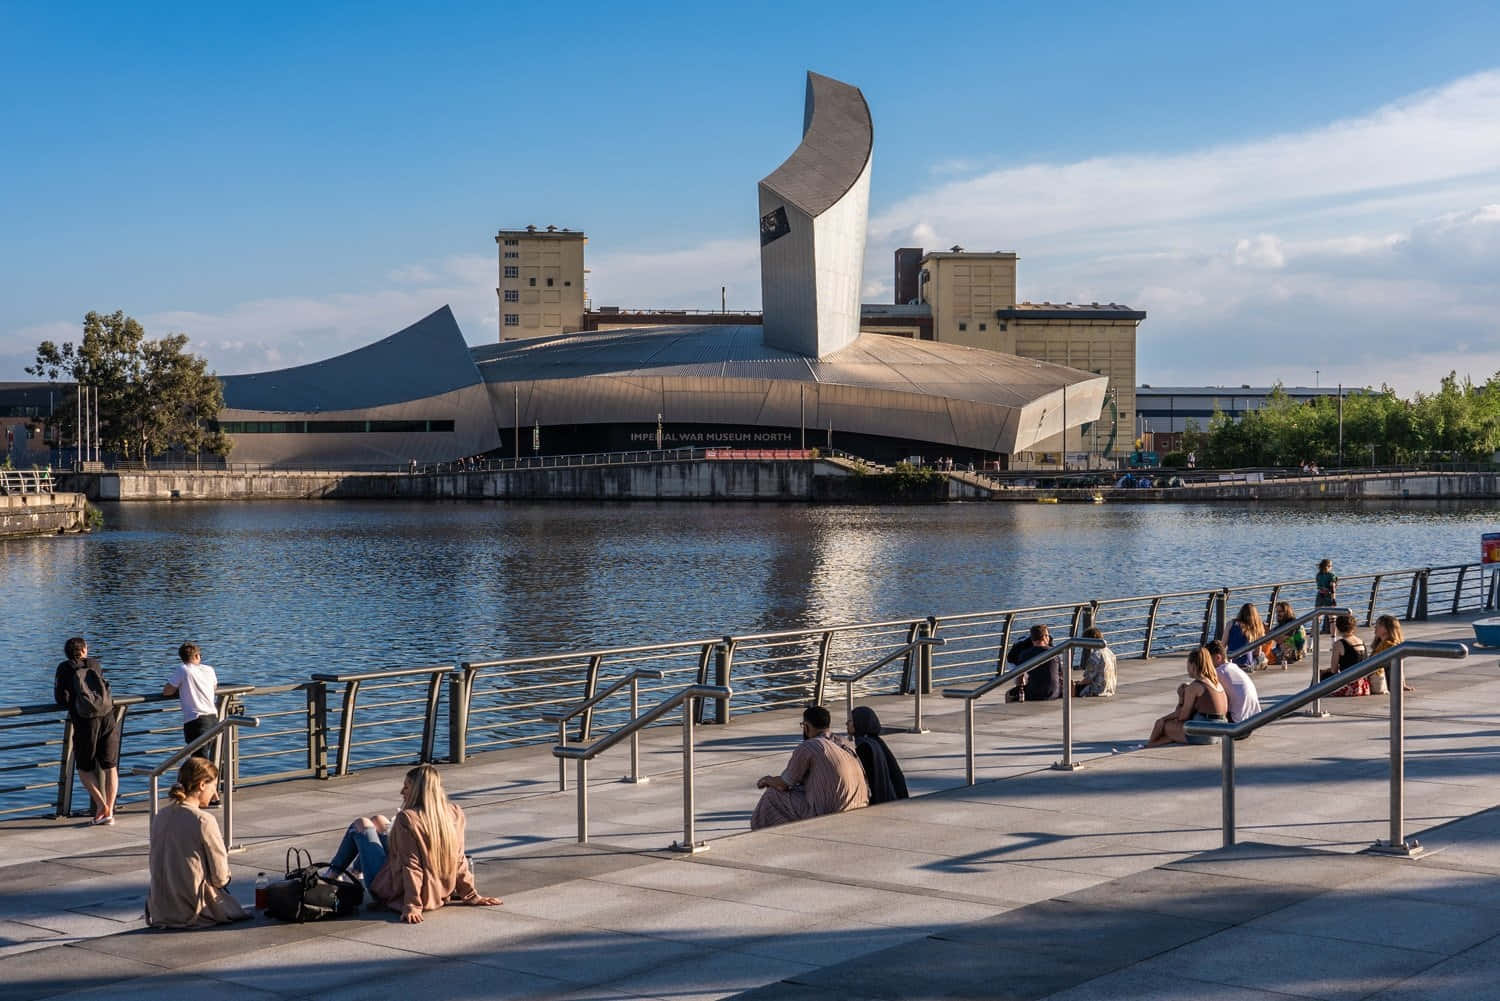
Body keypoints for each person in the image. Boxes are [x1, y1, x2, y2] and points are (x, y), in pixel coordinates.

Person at [328, 764, 501, 924]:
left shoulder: (408, 818)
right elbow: (459, 859)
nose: (401, 791)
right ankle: (356, 871)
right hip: (437, 891)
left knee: (361, 824)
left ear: (418, 791)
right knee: (378, 821)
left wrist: (412, 905)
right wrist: (471, 895)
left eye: (406, 787)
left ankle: (333, 875)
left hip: (397, 890)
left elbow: (412, 865)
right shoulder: (455, 812)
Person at [146, 758, 249, 928]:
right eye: (213, 787)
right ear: (202, 785)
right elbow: (220, 877)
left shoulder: (160, 816)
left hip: (159, 910)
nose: (215, 795)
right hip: (192, 911)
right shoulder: (203, 820)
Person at [752, 706, 869, 830]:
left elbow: (784, 784)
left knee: (772, 795)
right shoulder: (844, 742)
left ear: (806, 727)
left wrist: (767, 780)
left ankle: (760, 834)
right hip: (859, 805)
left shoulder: (809, 746)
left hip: (831, 812)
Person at [53, 636, 119, 825]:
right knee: (110, 766)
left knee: (83, 767)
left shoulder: (64, 668)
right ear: (83, 650)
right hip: (107, 716)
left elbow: (61, 698)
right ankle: (110, 809)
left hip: (84, 722)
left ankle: (101, 805)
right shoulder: (94, 664)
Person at [1146, 647, 1229, 747]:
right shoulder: (1216, 683)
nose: (1187, 668)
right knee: (1170, 727)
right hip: (1221, 731)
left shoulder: (1195, 686)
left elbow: (1183, 716)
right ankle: (1170, 738)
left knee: (1165, 726)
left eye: (1188, 664)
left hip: (1205, 735)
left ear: (1193, 665)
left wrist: (1181, 698)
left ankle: (1152, 743)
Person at [163, 643, 219, 764]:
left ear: (182, 658)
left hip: (196, 721)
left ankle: (204, 782)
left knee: (199, 762)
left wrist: (182, 689)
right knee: (205, 760)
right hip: (213, 719)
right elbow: (214, 687)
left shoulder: (183, 669)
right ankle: (211, 782)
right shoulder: (209, 669)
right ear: (197, 656)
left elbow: (167, 691)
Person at [847, 706, 908, 805]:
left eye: (850, 721)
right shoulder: (876, 741)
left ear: (859, 723)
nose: (847, 723)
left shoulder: (865, 747)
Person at [1207, 640, 1261, 723]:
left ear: (1218, 657)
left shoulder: (1219, 672)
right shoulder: (1233, 667)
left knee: (1203, 706)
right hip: (1254, 720)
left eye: (1208, 661)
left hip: (1237, 723)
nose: (1207, 664)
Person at [1006, 625, 1063, 701]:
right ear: (1045, 636)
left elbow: (1019, 678)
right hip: (1054, 693)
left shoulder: (1025, 654)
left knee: (1009, 694)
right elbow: (1061, 675)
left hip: (1034, 694)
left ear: (1032, 638)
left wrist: (1020, 688)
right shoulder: (1054, 652)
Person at [1325, 614, 1369, 697]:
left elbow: (1333, 670)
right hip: (1363, 685)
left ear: (1337, 628)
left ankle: (1311, 695)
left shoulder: (1339, 644)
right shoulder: (1360, 641)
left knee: (1321, 675)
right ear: (1353, 627)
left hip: (1349, 686)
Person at [1369, 614, 1412, 694]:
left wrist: (1402, 684)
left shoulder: (1388, 645)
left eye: (1378, 625)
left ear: (1386, 629)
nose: (1375, 627)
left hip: (1384, 681)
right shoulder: (1383, 644)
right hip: (1386, 681)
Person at [1074, 627, 1116, 698]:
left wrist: (1077, 683)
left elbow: (1088, 678)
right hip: (1110, 688)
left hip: (1097, 690)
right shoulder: (1110, 653)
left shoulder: (1095, 656)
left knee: (1070, 689)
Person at [1225, 603, 1266, 669]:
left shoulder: (1231, 623)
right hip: (1247, 664)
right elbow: (1258, 653)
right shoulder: (1256, 627)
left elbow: (1222, 645)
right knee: (1262, 656)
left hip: (1231, 661)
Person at [1269, 601, 1306, 668]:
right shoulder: (1284, 623)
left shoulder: (1293, 624)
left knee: (1265, 657)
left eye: (1280, 611)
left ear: (1287, 612)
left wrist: (1269, 634)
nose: (1278, 614)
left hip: (1293, 654)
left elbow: (1280, 639)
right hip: (1288, 652)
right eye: (1277, 612)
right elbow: (1272, 632)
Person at [1315, 558, 1339, 633]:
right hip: (1328, 597)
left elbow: (1319, 587)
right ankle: (1333, 638)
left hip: (1319, 596)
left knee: (1317, 618)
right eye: (1331, 566)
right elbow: (1332, 588)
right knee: (1332, 619)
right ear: (1328, 566)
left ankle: (1312, 639)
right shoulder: (1332, 576)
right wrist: (1333, 599)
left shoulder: (1318, 575)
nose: (1331, 567)